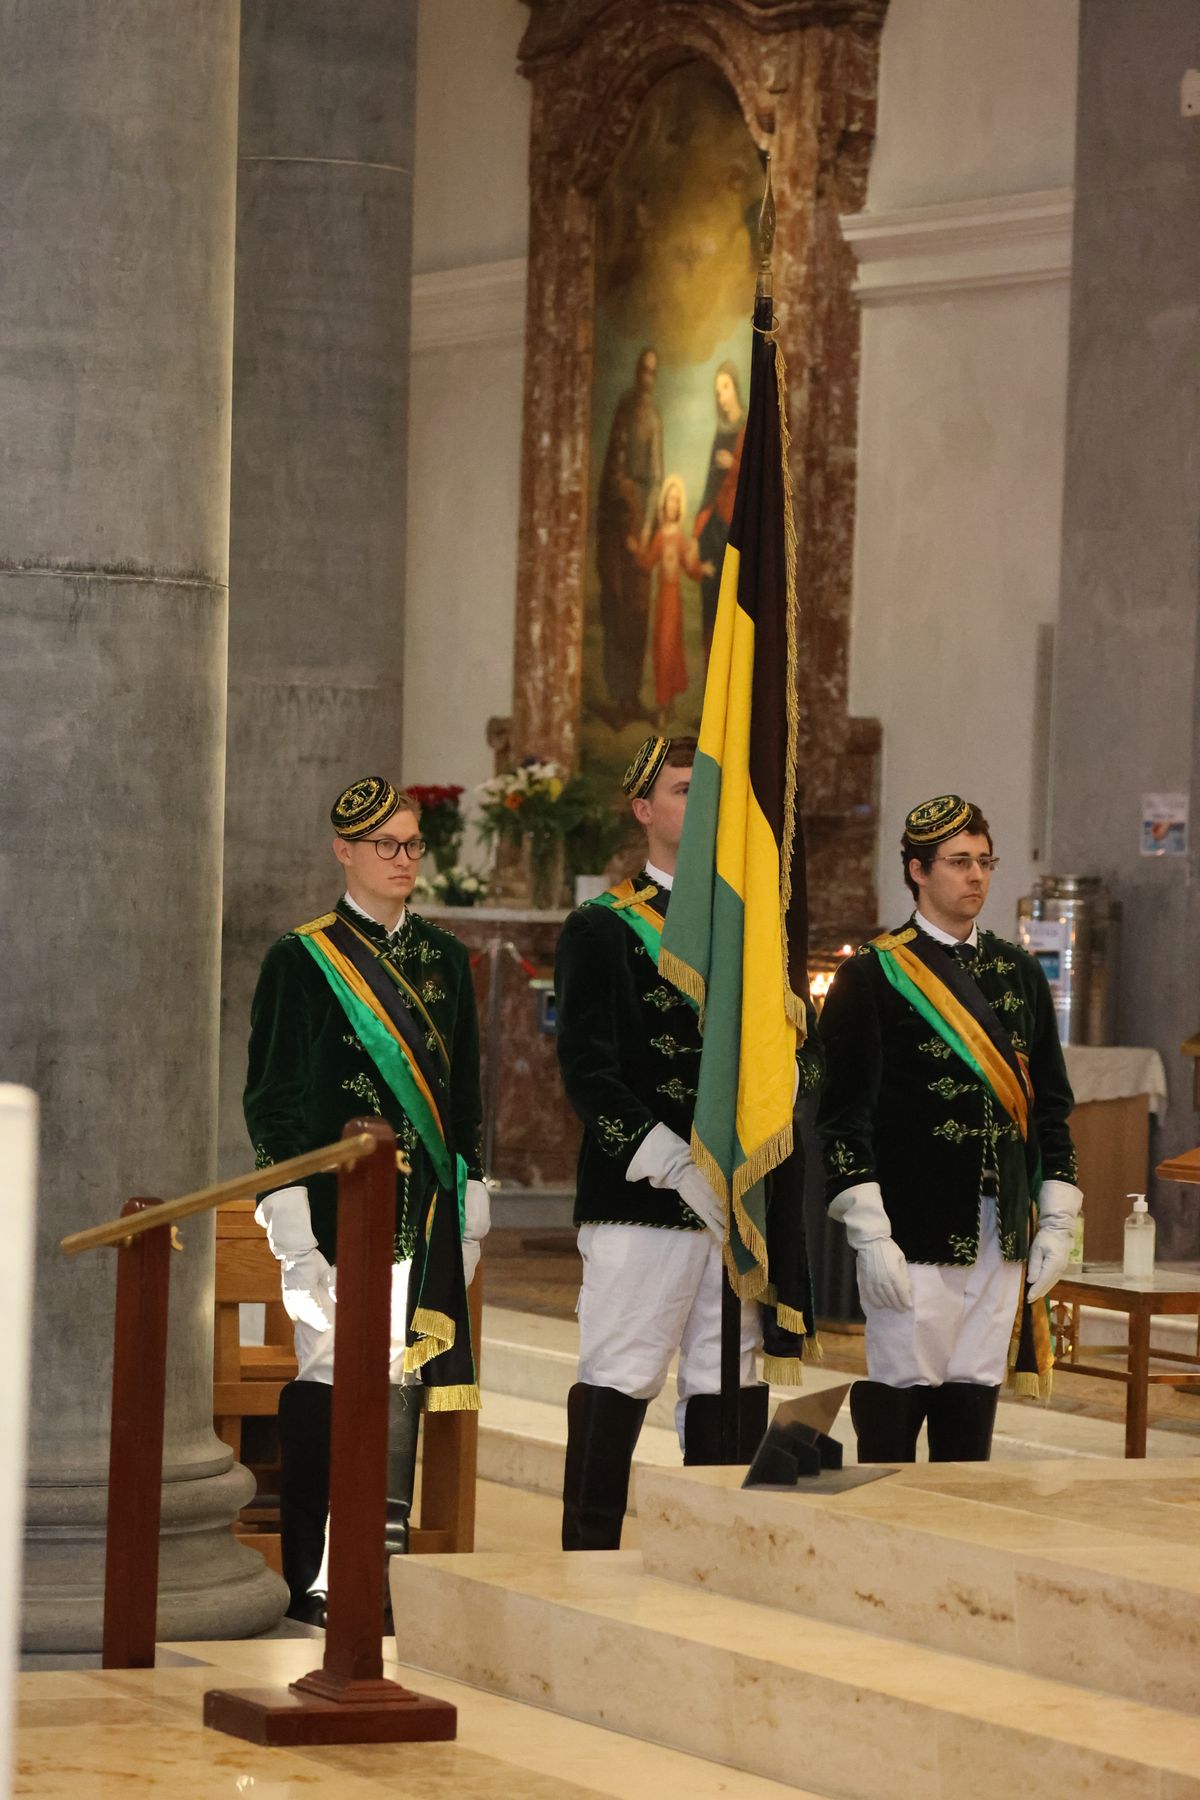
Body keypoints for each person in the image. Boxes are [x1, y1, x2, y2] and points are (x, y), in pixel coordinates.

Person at [553, 735, 818, 1550]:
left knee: (725, 1376)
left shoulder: (747, 930)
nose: (698, 806)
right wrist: (669, 1159)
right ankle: (587, 1556)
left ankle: (716, 1558)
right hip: (641, 1198)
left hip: (734, 1196)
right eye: (679, 791)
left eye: (708, 791)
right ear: (643, 810)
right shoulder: (602, 928)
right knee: (622, 1372)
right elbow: (588, 1071)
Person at [244, 775, 489, 1622]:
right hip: (334, 1212)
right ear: (343, 851)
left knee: (399, 1379)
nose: (402, 860)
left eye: (413, 844)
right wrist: (291, 1229)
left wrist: (476, 1186)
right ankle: (314, 1576)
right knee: (328, 1377)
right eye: (385, 845)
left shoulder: (447, 959)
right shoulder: (301, 957)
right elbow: (270, 1100)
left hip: (423, 1210)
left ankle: (375, 1570)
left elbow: (464, 1094)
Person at [816, 794, 1081, 1463]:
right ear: (916, 870)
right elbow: (842, 1116)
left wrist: (1057, 1218)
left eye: (985, 862)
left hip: (1002, 1223)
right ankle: (888, 1545)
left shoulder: (1018, 970)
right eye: (959, 863)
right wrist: (869, 1231)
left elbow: (1049, 1103)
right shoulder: (872, 973)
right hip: (913, 1222)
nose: (977, 878)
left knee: (973, 1394)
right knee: (901, 1390)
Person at [595, 347, 664, 723]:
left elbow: (654, 480)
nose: (646, 378)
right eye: (643, 370)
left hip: (640, 521)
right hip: (615, 520)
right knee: (614, 606)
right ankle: (617, 692)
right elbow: (611, 466)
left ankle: (632, 695)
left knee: (636, 612)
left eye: (653, 372)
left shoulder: (653, 420)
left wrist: (647, 526)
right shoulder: (624, 408)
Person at [628, 474, 714, 728]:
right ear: (664, 503)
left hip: (674, 603)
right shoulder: (660, 537)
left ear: (679, 506)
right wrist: (636, 551)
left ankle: (668, 705)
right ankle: (664, 704)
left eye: (677, 501)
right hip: (661, 603)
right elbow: (647, 563)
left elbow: (689, 566)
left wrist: (702, 569)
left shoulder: (677, 537)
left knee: (671, 651)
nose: (672, 505)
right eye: (669, 500)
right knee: (661, 652)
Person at [692, 360, 745, 658]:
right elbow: (710, 485)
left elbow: (761, 477)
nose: (721, 396)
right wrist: (697, 531)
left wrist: (734, 466)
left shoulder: (747, 428)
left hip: (737, 524)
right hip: (714, 527)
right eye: (717, 391)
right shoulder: (721, 431)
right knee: (710, 602)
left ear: (735, 387)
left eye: (725, 388)